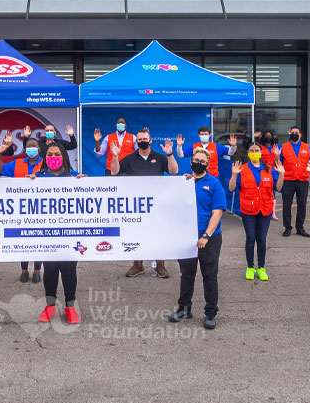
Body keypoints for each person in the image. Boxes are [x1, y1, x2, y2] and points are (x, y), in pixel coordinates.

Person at [168, 147, 226, 329]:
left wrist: (206, 235)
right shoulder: (184, 183)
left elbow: (217, 213)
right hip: (187, 237)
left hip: (209, 239)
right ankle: (184, 309)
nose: (199, 163)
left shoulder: (214, 184)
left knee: (209, 276)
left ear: (207, 164)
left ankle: (210, 313)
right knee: (187, 274)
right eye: (196, 160)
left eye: (202, 161)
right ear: (191, 161)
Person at [112, 128, 178, 278]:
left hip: (157, 204)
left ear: (150, 140)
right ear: (136, 142)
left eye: (145, 139)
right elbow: (114, 171)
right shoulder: (130, 159)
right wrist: (115, 156)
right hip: (136, 205)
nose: (142, 141)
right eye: (140, 139)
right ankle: (138, 264)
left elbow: (174, 171)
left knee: (159, 234)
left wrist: (170, 154)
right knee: (137, 233)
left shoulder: (159, 157)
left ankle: (160, 265)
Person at [30, 145, 85, 324]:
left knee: (69, 270)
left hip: (70, 232)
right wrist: (28, 183)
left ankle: (70, 306)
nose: (53, 157)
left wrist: (84, 183)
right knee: (50, 269)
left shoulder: (74, 176)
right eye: (50, 154)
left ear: (64, 157)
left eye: (57, 154)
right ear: (45, 158)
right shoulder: (38, 177)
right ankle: (50, 306)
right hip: (47, 233)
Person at [229, 142, 284, 281]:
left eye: (257, 150)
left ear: (261, 152)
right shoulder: (241, 169)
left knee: (262, 239)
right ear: (248, 153)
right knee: (250, 238)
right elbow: (231, 188)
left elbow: (278, 188)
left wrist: (282, 175)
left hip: (265, 209)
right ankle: (250, 267)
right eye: (252, 150)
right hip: (248, 210)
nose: (254, 153)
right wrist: (234, 176)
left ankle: (261, 268)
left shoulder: (269, 170)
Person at [0, 135, 45, 282]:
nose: (31, 148)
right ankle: (24, 270)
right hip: (21, 209)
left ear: (39, 149)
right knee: (23, 240)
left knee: (39, 240)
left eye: (34, 146)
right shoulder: (16, 163)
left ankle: (37, 270)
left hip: (41, 209)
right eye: (29, 146)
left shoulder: (46, 163)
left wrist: (78, 176)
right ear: (25, 149)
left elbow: (62, 174)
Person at [279, 126, 310, 238]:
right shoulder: (284, 147)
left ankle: (300, 228)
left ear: (300, 135)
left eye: (296, 132)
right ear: (289, 133)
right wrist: (277, 155)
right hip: (288, 180)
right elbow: (279, 163)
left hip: (302, 180)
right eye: (292, 132)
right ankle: (287, 228)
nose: (294, 133)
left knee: (302, 205)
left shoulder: (307, 147)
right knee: (286, 205)